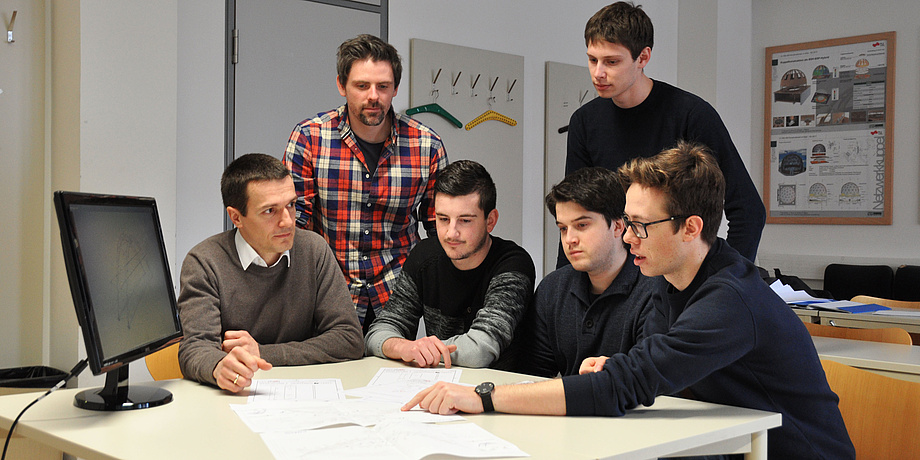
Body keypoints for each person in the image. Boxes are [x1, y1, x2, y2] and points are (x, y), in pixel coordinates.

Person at [404, 142, 854, 459]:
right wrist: (619, 369)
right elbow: (646, 367)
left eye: (640, 225)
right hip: (724, 444)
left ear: (691, 228)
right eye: (628, 222)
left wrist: (483, 395)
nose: (629, 236)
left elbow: (628, 384)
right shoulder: (668, 277)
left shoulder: (730, 299)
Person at [562, 1, 764, 265]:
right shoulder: (584, 122)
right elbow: (575, 212)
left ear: (643, 58)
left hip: (675, 275)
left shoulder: (692, 115)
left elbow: (748, 210)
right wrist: (565, 286)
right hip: (613, 277)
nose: (598, 73)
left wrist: (729, 281)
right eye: (592, 60)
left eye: (611, 62)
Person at [283, 34, 448, 334]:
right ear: (341, 85)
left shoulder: (427, 145)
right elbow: (294, 226)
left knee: (392, 379)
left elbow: (440, 230)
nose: (373, 96)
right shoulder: (310, 138)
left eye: (383, 86)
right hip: (328, 293)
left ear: (395, 89)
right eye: (362, 86)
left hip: (398, 295)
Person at [177, 153, 364, 393]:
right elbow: (195, 348)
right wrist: (219, 365)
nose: (287, 221)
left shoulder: (313, 250)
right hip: (237, 396)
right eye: (269, 211)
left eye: (291, 205)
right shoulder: (204, 262)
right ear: (236, 217)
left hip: (305, 392)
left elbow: (349, 339)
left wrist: (263, 353)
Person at [365, 160, 535, 370]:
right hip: (441, 385)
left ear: (490, 221)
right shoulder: (424, 256)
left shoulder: (513, 265)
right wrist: (403, 348)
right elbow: (378, 332)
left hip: (501, 391)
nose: (451, 233)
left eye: (465, 220)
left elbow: (479, 351)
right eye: (443, 219)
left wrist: (424, 351)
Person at [518, 167, 657, 378]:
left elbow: (655, 380)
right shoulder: (552, 288)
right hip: (570, 406)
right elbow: (532, 376)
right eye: (563, 228)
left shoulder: (655, 289)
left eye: (582, 225)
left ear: (618, 227)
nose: (569, 239)